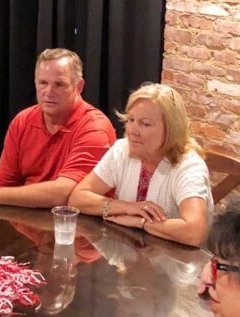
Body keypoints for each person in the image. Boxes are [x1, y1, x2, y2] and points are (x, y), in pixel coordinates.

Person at [0, 48, 116, 208]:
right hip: (26, 220)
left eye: (59, 84)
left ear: (79, 86)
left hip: (79, 226)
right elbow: (3, 186)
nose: (49, 92)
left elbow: (63, 194)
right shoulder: (23, 121)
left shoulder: (94, 127)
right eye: (43, 83)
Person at [69, 82, 212, 246]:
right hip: (131, 256)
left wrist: (141, 222)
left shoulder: (188, 166)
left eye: (145, 124)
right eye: (131, 120)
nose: (132, 130)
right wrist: (127, 207)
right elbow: (77, 198)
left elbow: (193, 232)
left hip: (178, 264)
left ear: (171, 129)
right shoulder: (122, 149)